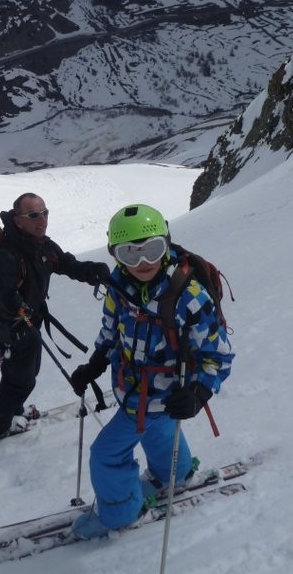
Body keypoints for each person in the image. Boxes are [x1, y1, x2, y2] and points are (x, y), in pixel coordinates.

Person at [68, 203, 234, 539]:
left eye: (152, 250)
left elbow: (219, 353)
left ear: (167, 244)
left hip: (159, 394)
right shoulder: (118, 288)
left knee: (106, 454)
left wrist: (200, 392)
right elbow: (111, 329)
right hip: (133, 386)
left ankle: (120, 515)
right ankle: (175, 474)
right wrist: (96, 362)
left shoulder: (187, 297)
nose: (143, 263)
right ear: (116, 256)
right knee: (158, 430)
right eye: (130, 253)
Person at [0, 193, 111, 442]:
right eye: (34, 215)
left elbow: (67, 264)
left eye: (45, 213)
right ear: (18, 221)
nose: (43, 220)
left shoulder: (41, 245)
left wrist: (92, 271)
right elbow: (0, 295)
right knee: (21, 381)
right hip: (13, 328)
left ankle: (14, 411)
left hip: (30, 322)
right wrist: (18, 307)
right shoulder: (6, 254)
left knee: (23, 374)